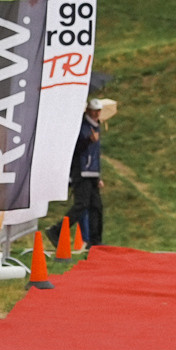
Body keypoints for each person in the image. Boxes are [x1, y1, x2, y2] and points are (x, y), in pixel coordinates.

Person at [69, 98, 115, 247]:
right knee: (82, 206)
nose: (96, 114)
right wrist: (89, 140)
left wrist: (98, 175)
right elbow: (76, 149)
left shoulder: (96, 127)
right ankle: (59, 230)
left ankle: (94, 241)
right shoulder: (82, 127)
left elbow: (95, 155)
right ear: (88, 111)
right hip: (82, 172)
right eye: (94, 111)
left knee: (95, 207)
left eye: (98, 111)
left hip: (91, 172)